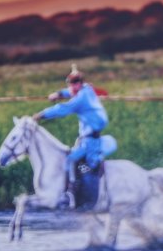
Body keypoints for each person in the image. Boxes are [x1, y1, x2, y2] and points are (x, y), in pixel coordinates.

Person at [33, 64, 111, 209]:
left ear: (81, 83)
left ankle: (71, 192)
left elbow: (63, 109)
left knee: (70, 160)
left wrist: (40, 115)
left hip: (90, 141)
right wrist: (58, 94)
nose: (73, 86)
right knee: (77, 161)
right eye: (70, 83)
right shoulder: (87, 89)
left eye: (76, 82)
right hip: (86, 138)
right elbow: (69, 92)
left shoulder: (81, 99)